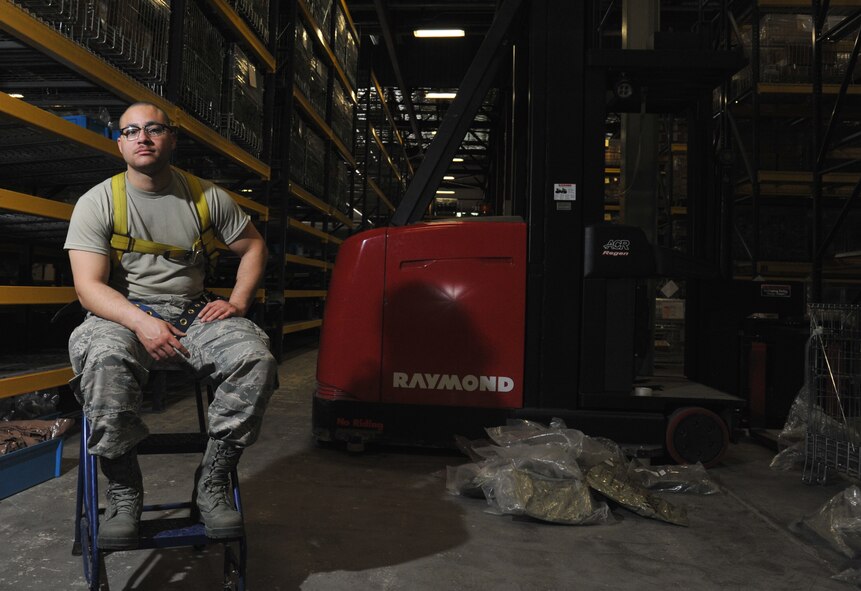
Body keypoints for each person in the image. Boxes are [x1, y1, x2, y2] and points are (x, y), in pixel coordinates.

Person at [65, 102, 278, 549]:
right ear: (120, 143)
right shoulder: (98, 201)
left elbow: (254, 246)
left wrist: (238, 302)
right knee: (103, 361)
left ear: (171, 138)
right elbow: (89, 288)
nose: (142, 138)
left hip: (193, 313)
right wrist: (142, 323)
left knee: (255, 359)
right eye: (131, 131)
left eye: (153, 129)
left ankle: (213, 480)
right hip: (121, 315)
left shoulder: (206, 197)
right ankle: (124, 489)